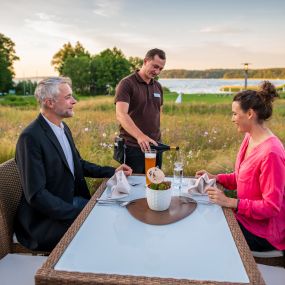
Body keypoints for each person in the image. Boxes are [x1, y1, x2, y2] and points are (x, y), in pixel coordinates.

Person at [14, 77, 132, 251]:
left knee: (117, 212)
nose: (74, 101)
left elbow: (78, 164)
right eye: (68, 97)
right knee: (104, 232)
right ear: (50, 102)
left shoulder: (62, 127)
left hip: (69, 202)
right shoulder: (30, 138)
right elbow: (37, 196)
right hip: (45, 221)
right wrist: (78, 215)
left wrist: (112, 171)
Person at [196, 81, 285, 252]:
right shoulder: (249, 137)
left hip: (263, 232)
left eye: (235, 114)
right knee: (204, 215)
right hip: (244, 218)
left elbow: (271, 207)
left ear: (250, 113)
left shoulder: (271, 153)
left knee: (207, 233)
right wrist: (217, 178)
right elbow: (243, 178)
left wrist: (231, 202)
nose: (232, 119)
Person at [115, 48, 166, 173]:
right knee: (133, 187)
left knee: (154, 184)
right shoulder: (127, 83)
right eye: (155, 66)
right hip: (133, 148)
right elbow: (121, 114)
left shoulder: (158, 86)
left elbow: (157, 113)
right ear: (145, 61)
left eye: (160, 69)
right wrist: (140, 136)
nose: (157, 71)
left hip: (155, 147)